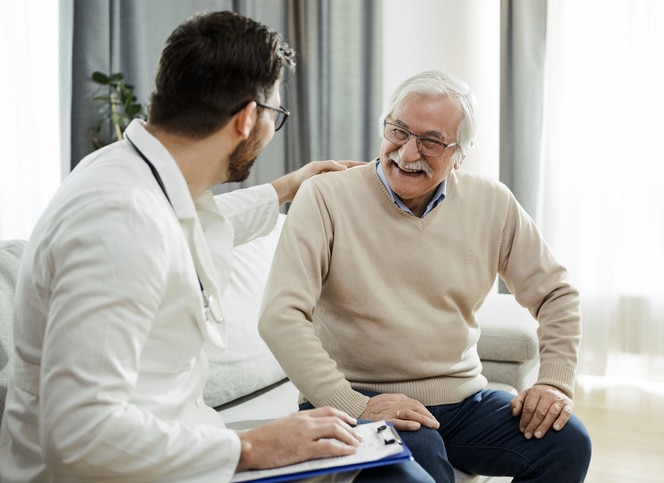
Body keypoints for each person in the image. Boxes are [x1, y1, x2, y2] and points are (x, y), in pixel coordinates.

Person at [0, 12, 432, 483]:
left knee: (388, 460)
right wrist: (252, 446)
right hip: (124, 473)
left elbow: (188, 225)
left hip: (183, 447)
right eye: (277, 116)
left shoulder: (129, 175)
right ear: (249, 118)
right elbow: (78, 434)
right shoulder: (119, 222)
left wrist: (287, 187)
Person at [259, 70, 593, 482]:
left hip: (462, 403)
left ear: (461, 154)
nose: (408, 152)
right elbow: (280, 315)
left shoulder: (491, 202)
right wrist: (354, 405)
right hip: (354, 402)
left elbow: (556, 294)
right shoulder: (325, 197)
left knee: (568, 441)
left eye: (431, 141)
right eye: (398, 131)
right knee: (422, 468)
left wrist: (555, 383)